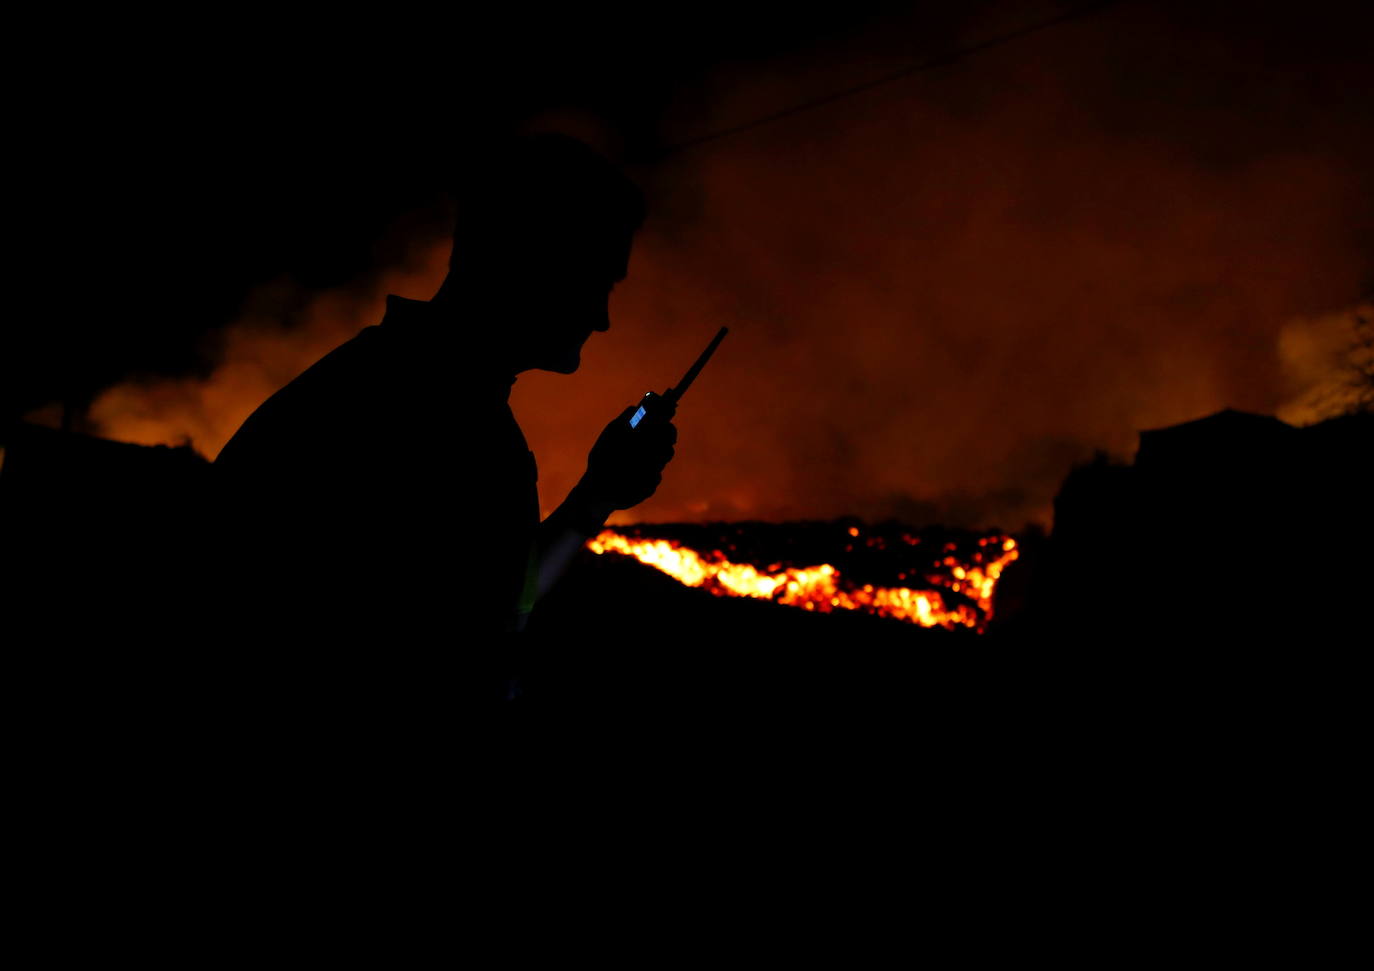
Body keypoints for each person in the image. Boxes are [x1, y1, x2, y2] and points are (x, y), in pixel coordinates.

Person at [209, 132, 676, 703]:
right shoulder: (413, 417)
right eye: (596, 282)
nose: (603, 319)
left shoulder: (443, 403)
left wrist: (595, 496)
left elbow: (505, 604)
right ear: (530, 262)